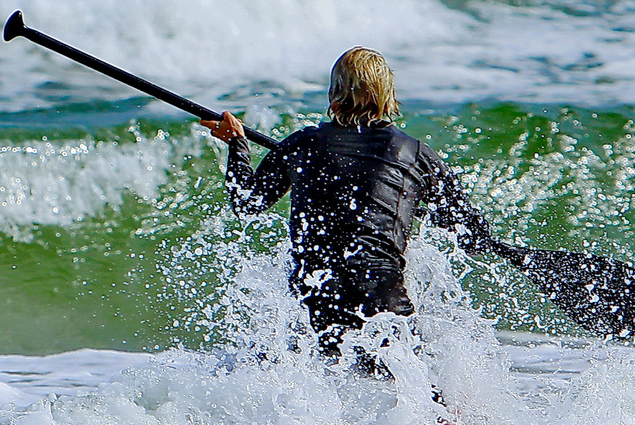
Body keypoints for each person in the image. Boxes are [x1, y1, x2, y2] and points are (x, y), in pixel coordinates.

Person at [200, 47, 491, 360]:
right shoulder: (414, 155)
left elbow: (247, 202)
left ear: (333, 95)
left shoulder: (302, 144)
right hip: (382, 303)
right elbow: (472, 234)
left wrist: (237, 145)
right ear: (387, 97)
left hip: (317, 303)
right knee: (423, 396)